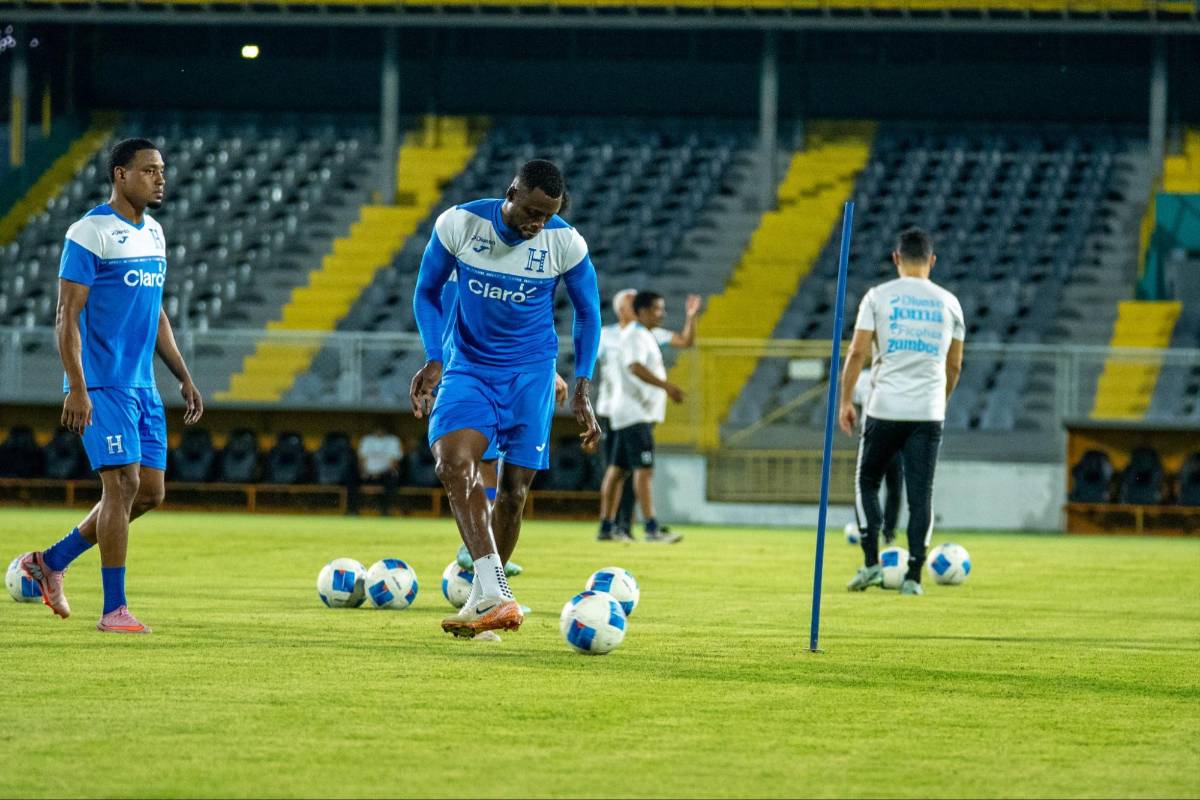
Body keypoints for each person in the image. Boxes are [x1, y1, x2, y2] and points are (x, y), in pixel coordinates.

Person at [410, 159, 601, 639]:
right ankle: (498, 592)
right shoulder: (460, 223)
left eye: (547, 215)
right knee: (453, 461)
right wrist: (435, 356)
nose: (537, 224)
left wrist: (581, 384)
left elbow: (588, 314)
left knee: (514, 494)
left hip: (531, 376)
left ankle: (484, 599)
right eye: (532, 212)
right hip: (468, 369)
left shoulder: (565, 243)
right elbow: (426, 291)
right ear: (511, 192)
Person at [19, 137, 204, 633]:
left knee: (149, 493)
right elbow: (66, 315)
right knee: (121, 485)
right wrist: (76, 387)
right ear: (120, 175)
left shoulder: (156, 234)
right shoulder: (89, 231)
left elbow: (156, 313)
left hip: (142, 386)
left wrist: (182, 375)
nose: (160, 178)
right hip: (102, 383)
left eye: (162, 170)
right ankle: (114, 610)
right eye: (149, 170)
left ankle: (50, 561)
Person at [838, 228, 964, 596]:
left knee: (867, 482)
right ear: (932, 261)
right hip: (927, 412)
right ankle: (913, 577)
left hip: (884, 408)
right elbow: (954, 366)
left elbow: (857, 353)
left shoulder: (878, 297)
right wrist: (941, 400)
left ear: (896, 258)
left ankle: (871, 563)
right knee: (920, 495)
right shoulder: (950, 303)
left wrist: (846, 400)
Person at [595, 289, 700, 541]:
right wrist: (667, 387)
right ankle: (652, 528)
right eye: (657, 309)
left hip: (626, 411)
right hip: (634, 412)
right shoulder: (632, 336)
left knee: (617, 469)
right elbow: (634, 366)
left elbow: (685, 341)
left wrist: (691, 317)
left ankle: (606, 528)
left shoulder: (643, 334)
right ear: (639, 312)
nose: (662, 314)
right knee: (643, 470)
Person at [851, 364, 903, 545]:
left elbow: (856, 404)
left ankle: (870, 530)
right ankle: (882, 531)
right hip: (891, 432)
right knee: (891, 486)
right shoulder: (897, 373)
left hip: (872, 432)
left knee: (866, 485)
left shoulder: (861, 376)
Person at [356, 425, 402, 516]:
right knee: (351, 480)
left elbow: (395, 463)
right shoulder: (367, 440)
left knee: (393, 481)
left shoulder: (393, 440)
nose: (379, 431)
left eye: (382, 429)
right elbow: (361, 460)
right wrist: (365, 472)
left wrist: (379, 474)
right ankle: (353, 510)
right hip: (367, 474)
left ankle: (385, 510)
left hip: (386, 474)